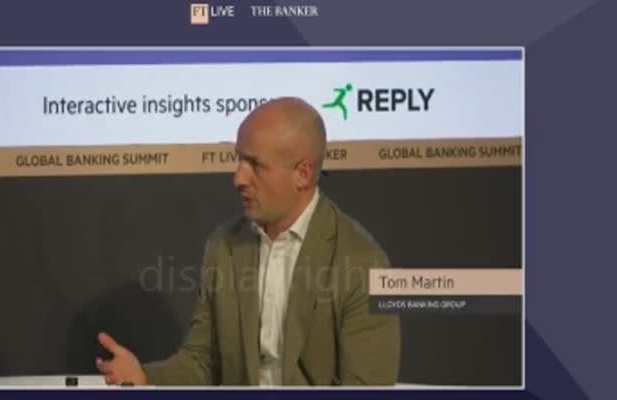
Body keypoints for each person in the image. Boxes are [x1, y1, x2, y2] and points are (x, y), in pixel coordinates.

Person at [95, 97, 400, 386]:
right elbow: (203, 362)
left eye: (255, 165)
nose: (238, 178)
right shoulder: (224, 245)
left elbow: (366, 389)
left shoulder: (364, 262)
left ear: (303, 174)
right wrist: (145, 378)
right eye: (239, 160)